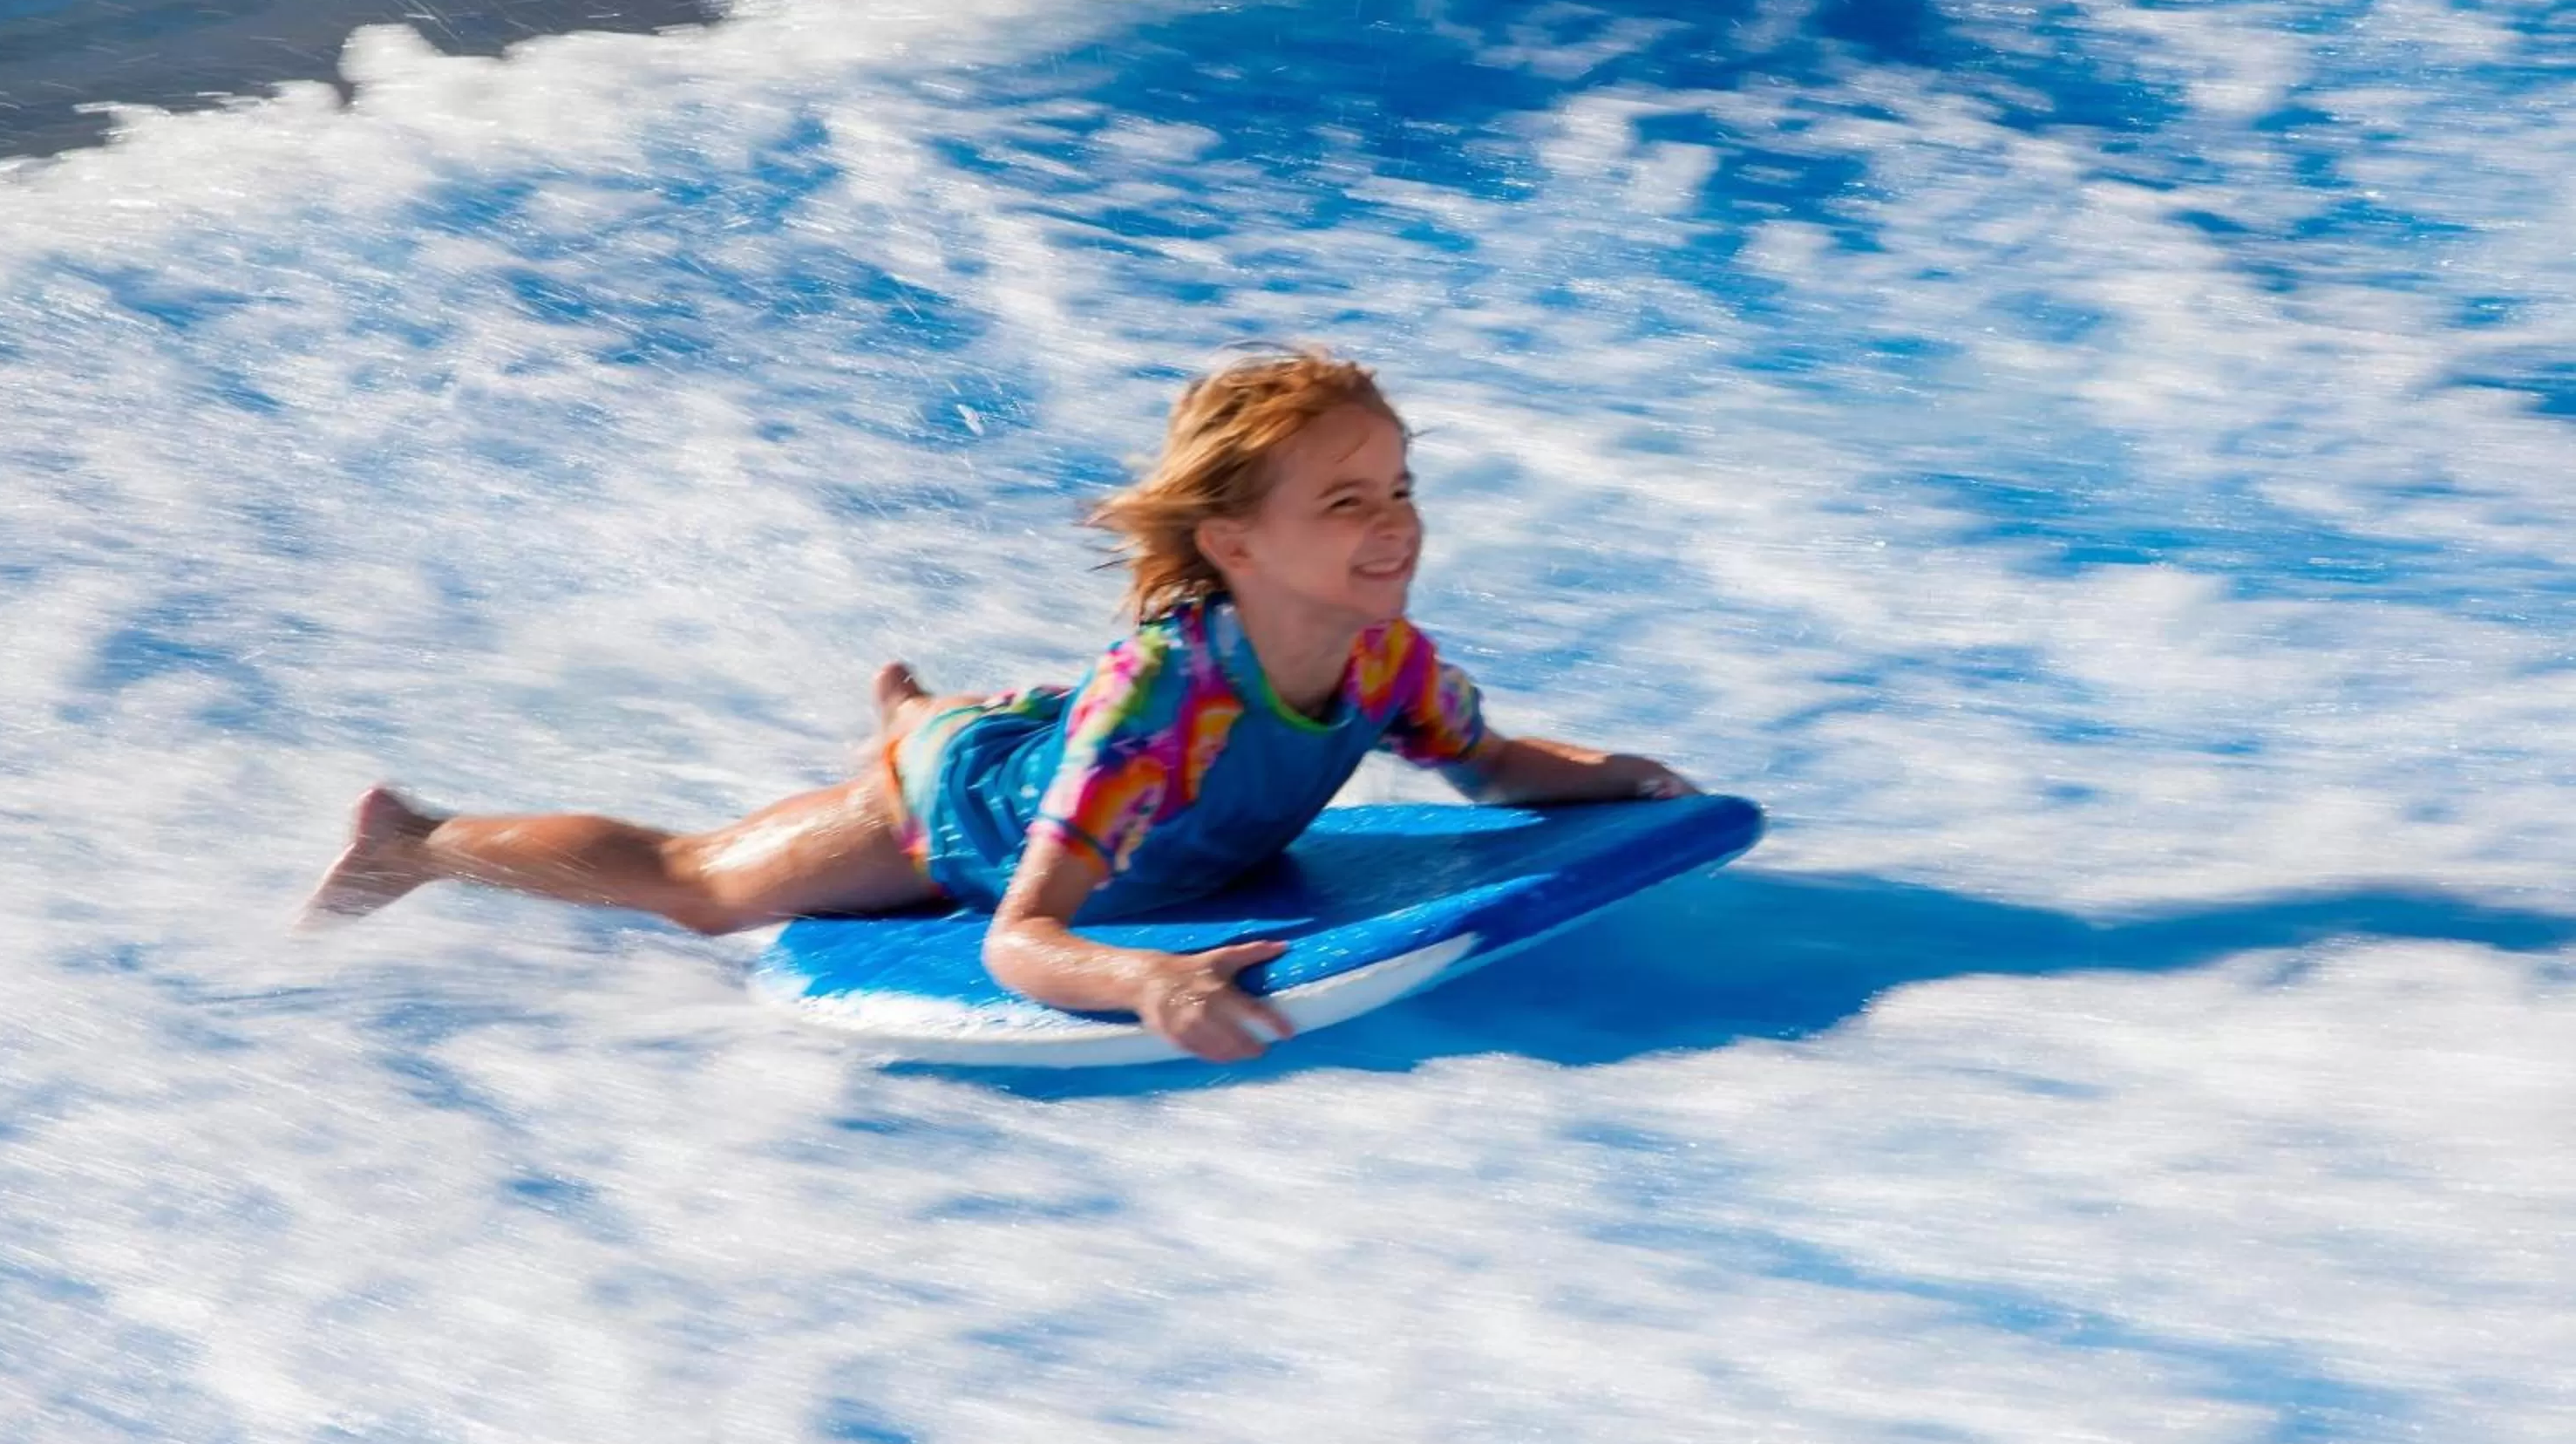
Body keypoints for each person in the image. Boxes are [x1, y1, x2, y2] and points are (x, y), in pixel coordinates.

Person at [303, 351, 1699, 1060]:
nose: (1393, 525)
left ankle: (923, 706)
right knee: (705, 885)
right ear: (1235, 543)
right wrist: (1147, 979)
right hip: (957, 816)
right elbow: (1026, 938)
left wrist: (1617, 775)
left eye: (1399, 489)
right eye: (1347, 502)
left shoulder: (1387, 659)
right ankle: (414, 841)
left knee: (1030, 717)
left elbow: (1496, 764)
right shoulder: (1162, 716)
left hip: (1074, 743)